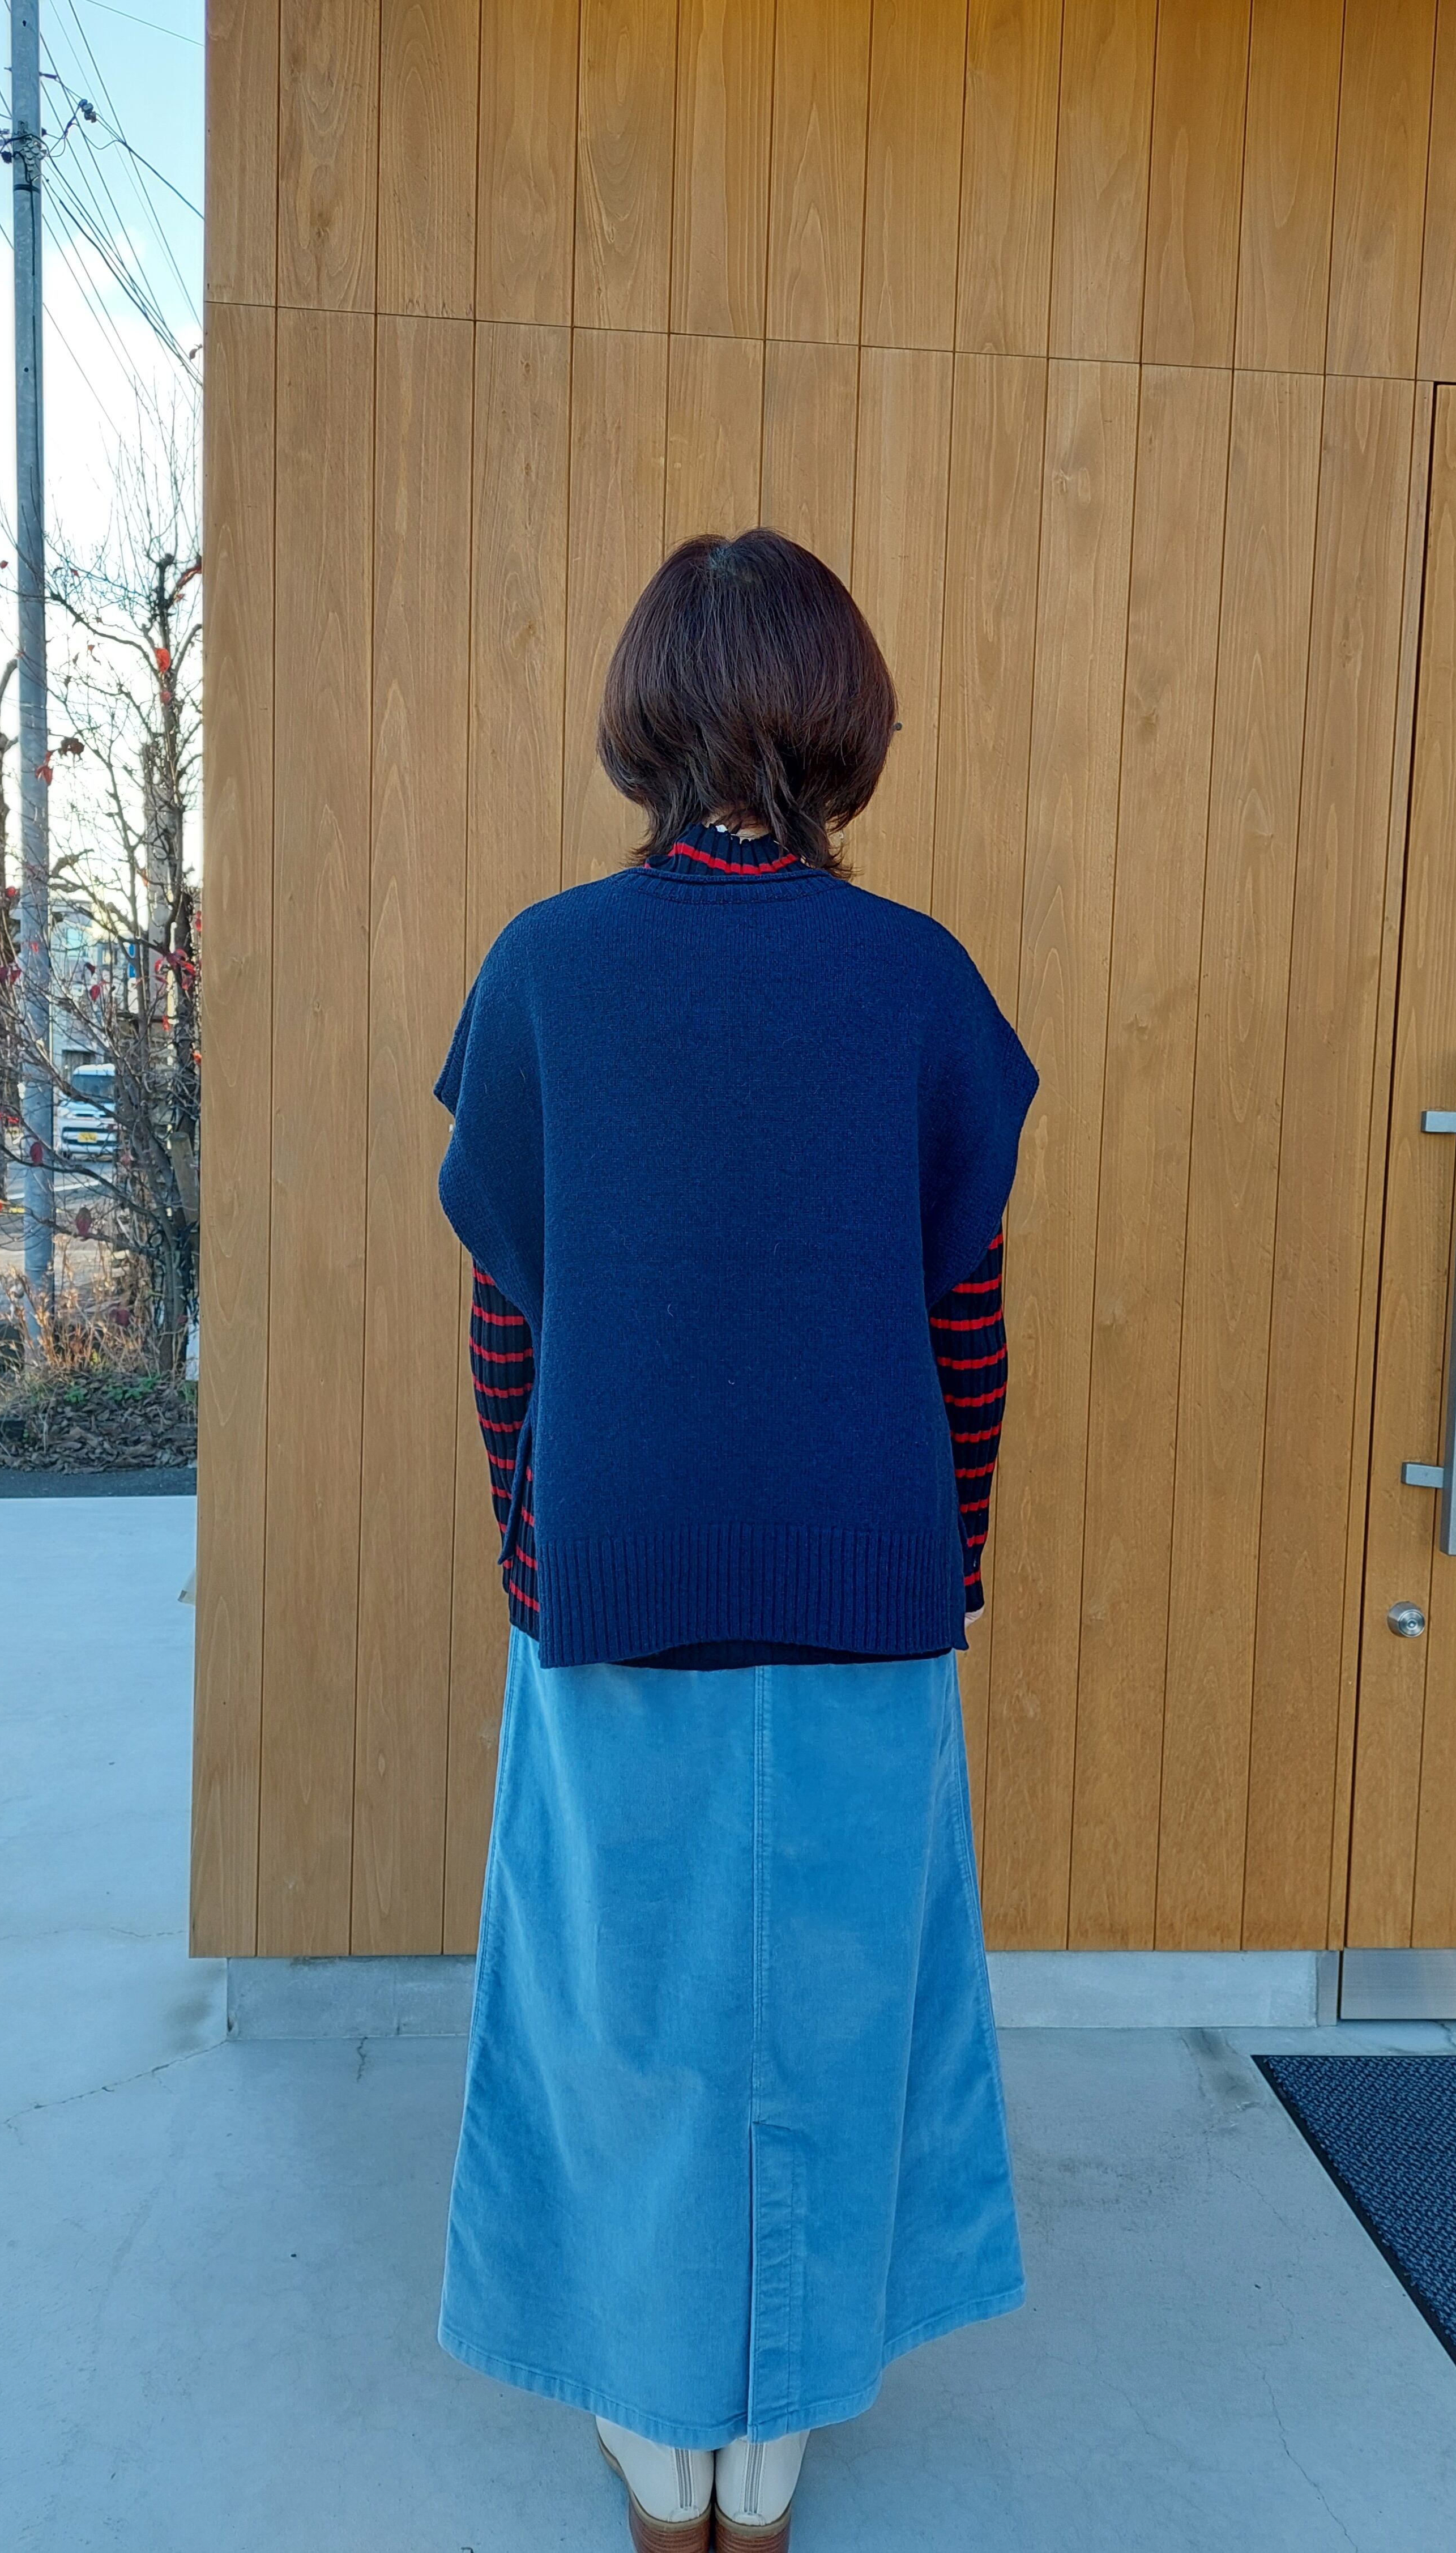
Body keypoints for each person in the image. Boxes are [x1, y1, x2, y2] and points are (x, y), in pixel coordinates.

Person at [432, 530, 1038, 2553]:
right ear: (847, 720)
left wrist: (537, 1555)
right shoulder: (917, 978)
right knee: (836, 2024)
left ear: (642, 720)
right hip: (868, 1587)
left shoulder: (545, 969)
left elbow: (510, 1327)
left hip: (610, 1583)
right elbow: (965, 1330)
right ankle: (767, 2461)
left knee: (619, 2023)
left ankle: (657, 2446)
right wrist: (940, 1560)